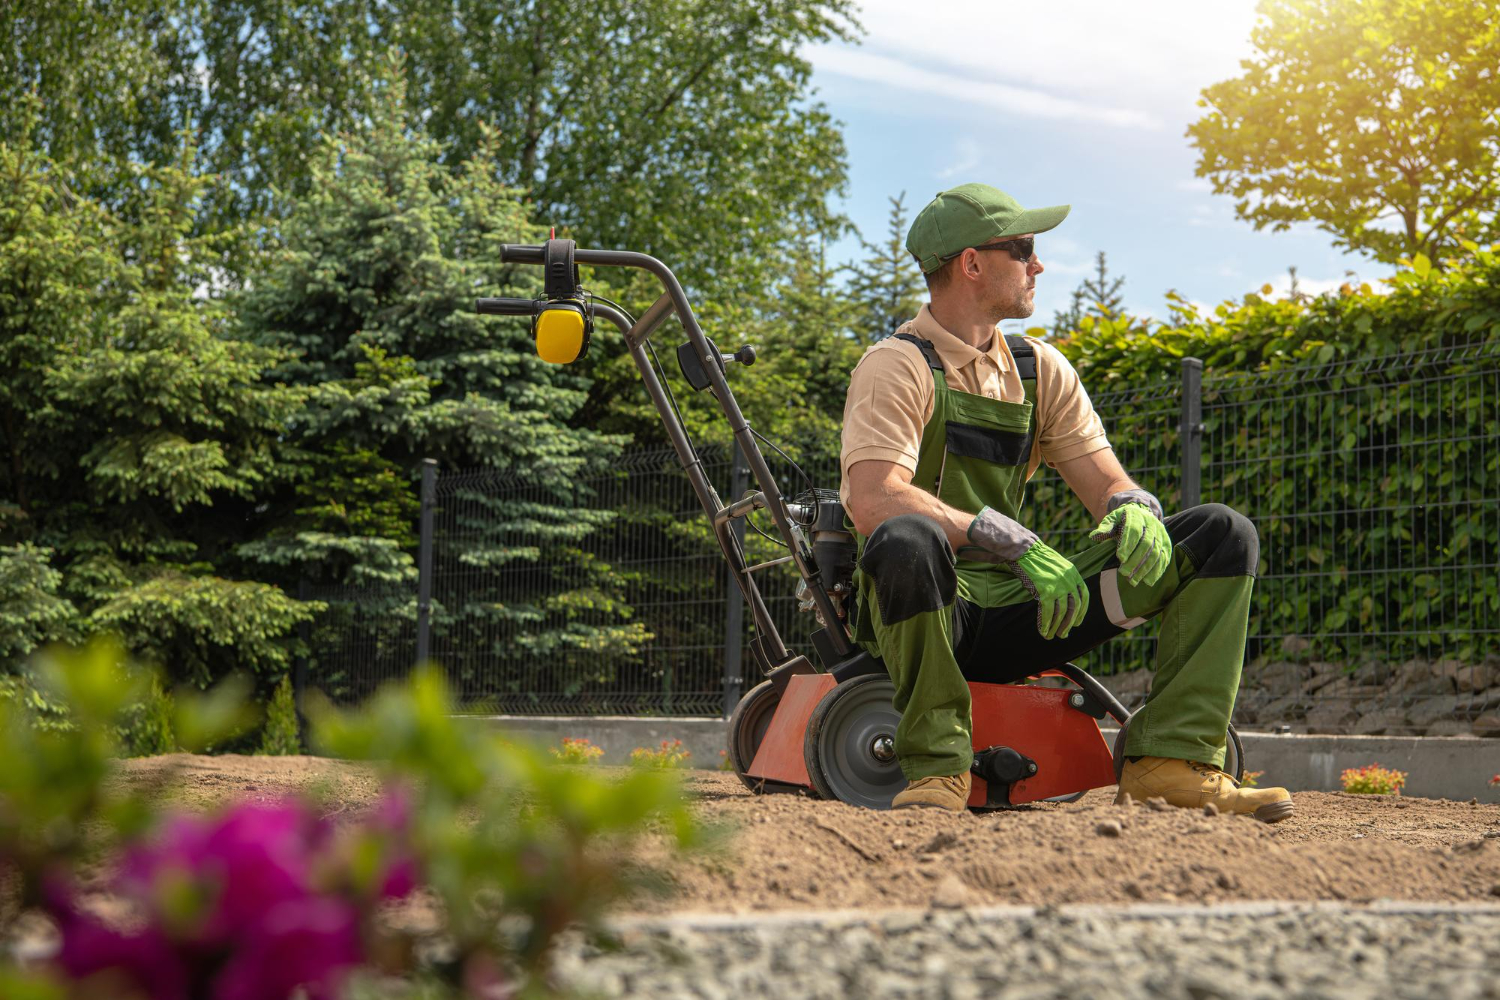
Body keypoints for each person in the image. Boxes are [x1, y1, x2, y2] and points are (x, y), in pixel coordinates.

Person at [838, 182, 1293, 821]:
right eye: (1024, 250)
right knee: (906, 538)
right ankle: (938, 765)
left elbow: (1106, 481)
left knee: (1222, 534)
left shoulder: (1040, 369)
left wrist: (1135, 505)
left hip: (1031, 612)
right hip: (927, 614)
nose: (1039, 265)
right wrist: (1005, 536)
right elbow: (875, 498)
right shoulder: (896, 366)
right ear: (971, 263)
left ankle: (1168, 761)